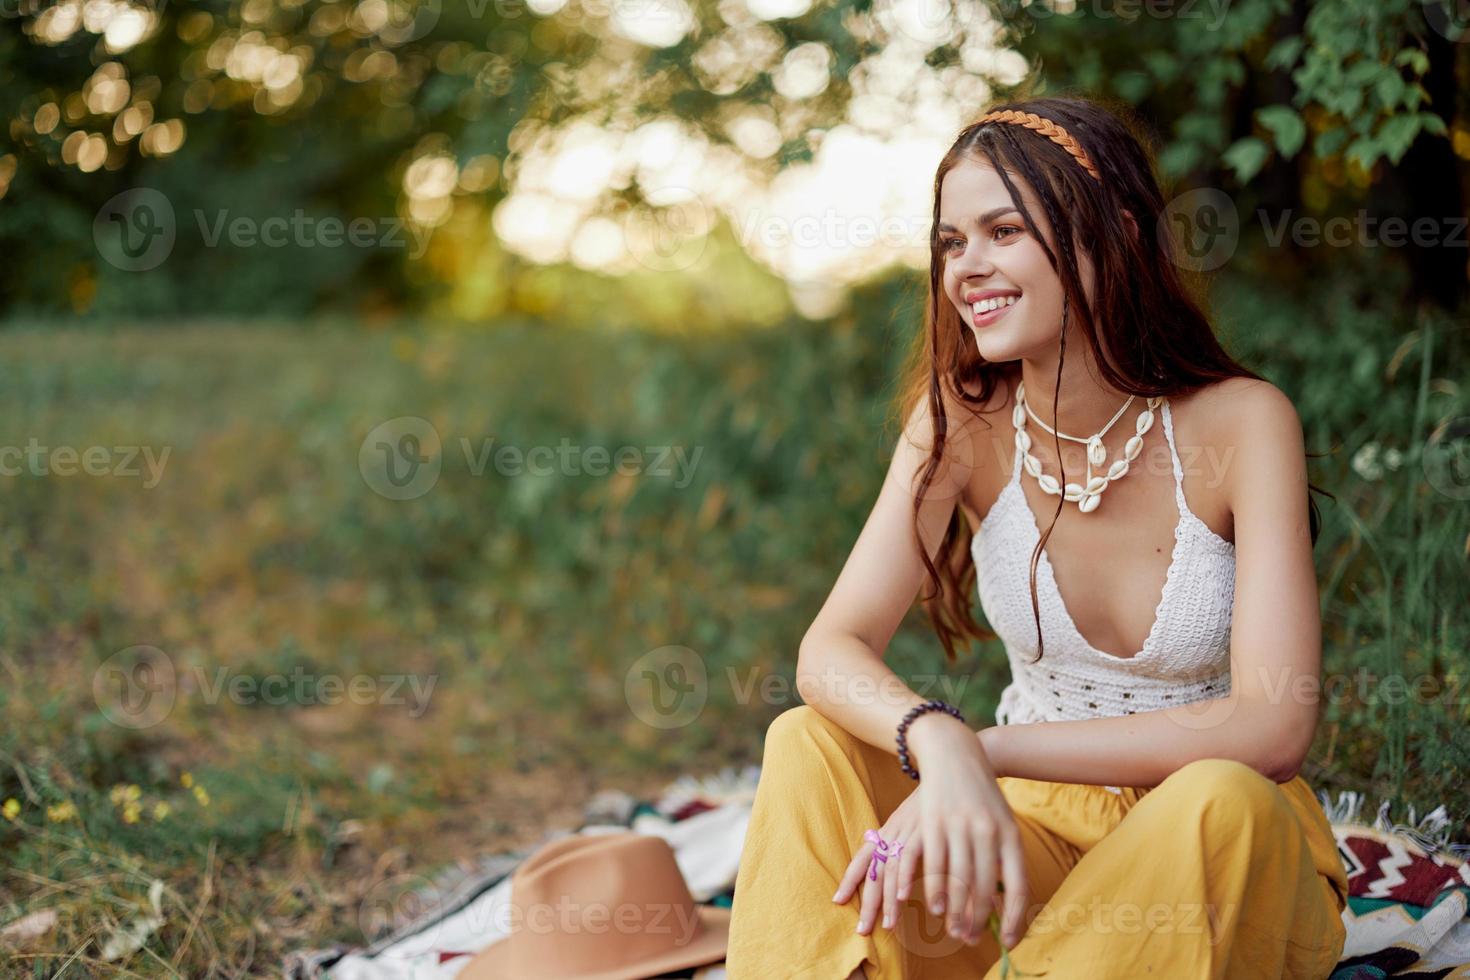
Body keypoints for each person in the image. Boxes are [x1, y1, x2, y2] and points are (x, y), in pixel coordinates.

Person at [723, 94, 1350, 980]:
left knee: (1223, 799)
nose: (965, 268)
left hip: (1213, 861)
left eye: (1003, 231)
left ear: (1116, 235)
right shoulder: (960, 424)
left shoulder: (1243, 423)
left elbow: (1271, 725)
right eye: (950, 242)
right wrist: (937, 740)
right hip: (1028, 851)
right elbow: (831, 648)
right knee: (806, 740)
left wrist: (991, 748)